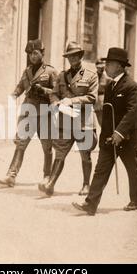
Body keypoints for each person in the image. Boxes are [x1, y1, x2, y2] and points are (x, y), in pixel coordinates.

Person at [72, 47, 137, 215]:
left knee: (132, 169)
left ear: (119, 66)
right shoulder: (110, 86)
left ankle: (135, 200)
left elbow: (132, 113)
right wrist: (107, 135)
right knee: (101, 169)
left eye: (109, 64)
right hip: (109, 138)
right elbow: (106, 112)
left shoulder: (131, 86)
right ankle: (90, 204)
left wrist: (119, 133)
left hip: (126, 138)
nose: (105, 67)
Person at [0, 40, 58, 187]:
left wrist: (44, 90)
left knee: (47, 147)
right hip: (28, 112)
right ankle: (11, 176)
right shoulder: (27, 71)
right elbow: (20, 86)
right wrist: (14, 95)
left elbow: (57, 93)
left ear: (42, 53)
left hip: (44, 114)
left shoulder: (51, 71)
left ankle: (47, 177)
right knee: (21, 144)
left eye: (35, 53)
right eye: (30, 54)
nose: (33, 57)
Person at [38, 42, 98, 197]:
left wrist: (71, 101)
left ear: (80, 56)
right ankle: (51, 184)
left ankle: (86, 185)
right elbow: (54, 93)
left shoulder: (91, 75)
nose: (72, 59)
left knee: (85, 153)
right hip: (66, 120)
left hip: (84, 121)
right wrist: (55, 102)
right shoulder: (62, 75)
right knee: (60, 153)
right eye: (69, 56)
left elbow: (92, 97)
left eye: (75, 56)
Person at [94, 59, 109, 127]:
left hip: (104, 101)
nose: (101, 69)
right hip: (95, 102)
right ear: (96, 67)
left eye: (103, 67)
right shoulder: (93, 76)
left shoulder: (107, 78)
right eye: (100, 67)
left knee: (104, 122)